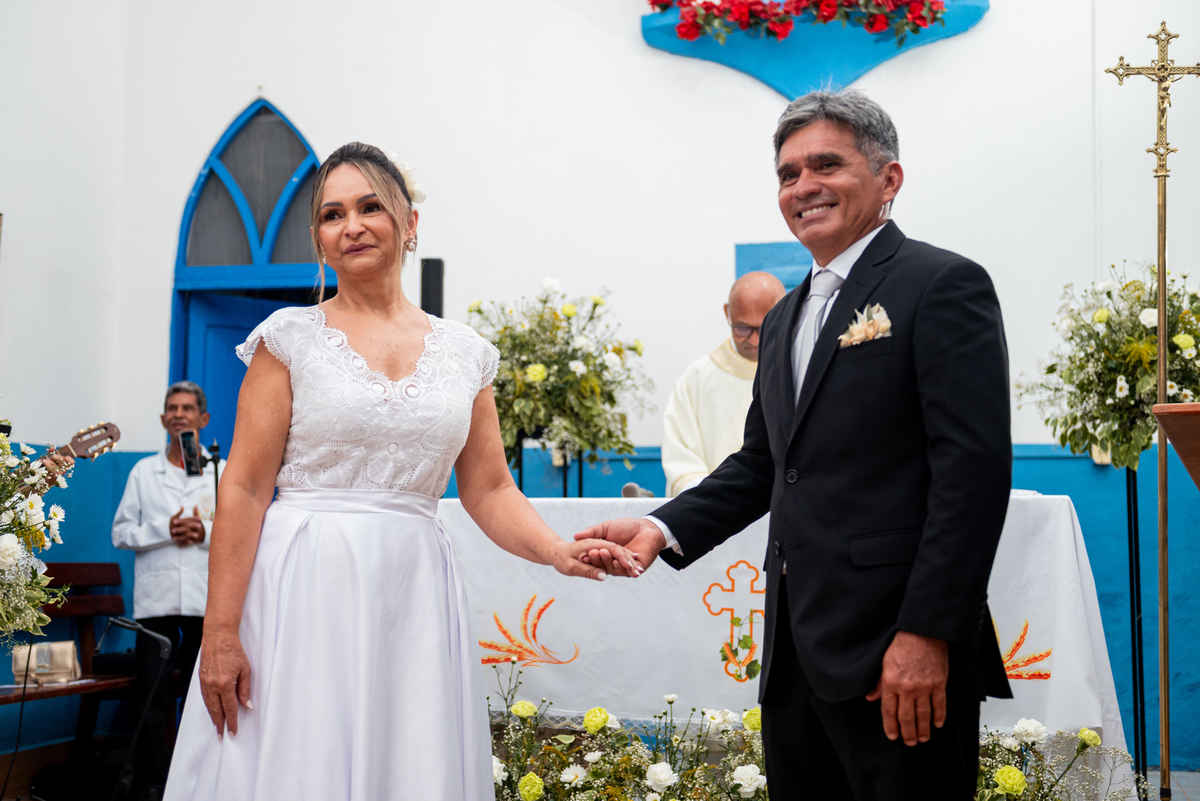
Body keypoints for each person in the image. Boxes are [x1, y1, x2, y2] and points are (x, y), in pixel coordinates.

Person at [162, 142, 638, 801]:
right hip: (302, 585)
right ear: (319, 240)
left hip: (413, 587)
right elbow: (243, 487)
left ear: (409, 223)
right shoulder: (288, 339)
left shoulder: (465, 353)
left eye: (369, 207)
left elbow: (490, 487)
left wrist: (556, 549)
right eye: (331, 214)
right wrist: (219, 631)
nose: (351, 224)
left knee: (407, 760)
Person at [579, 90, 1012, 800]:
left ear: (889, 180)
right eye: (787, 173)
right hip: (795, 658)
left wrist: (926, 634)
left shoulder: (941, 285)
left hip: (894, 654)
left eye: (826, 165)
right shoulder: (782, 318)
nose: (803, 186)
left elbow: (971, 473)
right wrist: (661, 525)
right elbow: (764, 464)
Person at [113, 381, 222, 801]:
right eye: (171, 409)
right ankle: (153, 782)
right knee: (151, 695)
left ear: (203, 419)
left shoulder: (219, 469)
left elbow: (241, 530)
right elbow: (121, 533)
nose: (179, 414)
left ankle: (202, 781)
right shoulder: (144, 472)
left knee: (203, 693)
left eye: (187, 408)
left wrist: (205, 531)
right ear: (162, 420)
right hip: (156, 603)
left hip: (204, 601)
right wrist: (165, 530)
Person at [662, 272, 784, 496]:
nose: (755, 340)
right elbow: (682, 459)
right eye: (742, 329)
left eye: (764, 327)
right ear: (727, 312)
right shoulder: (696, 379)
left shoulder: (797, 370)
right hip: (714, 512)